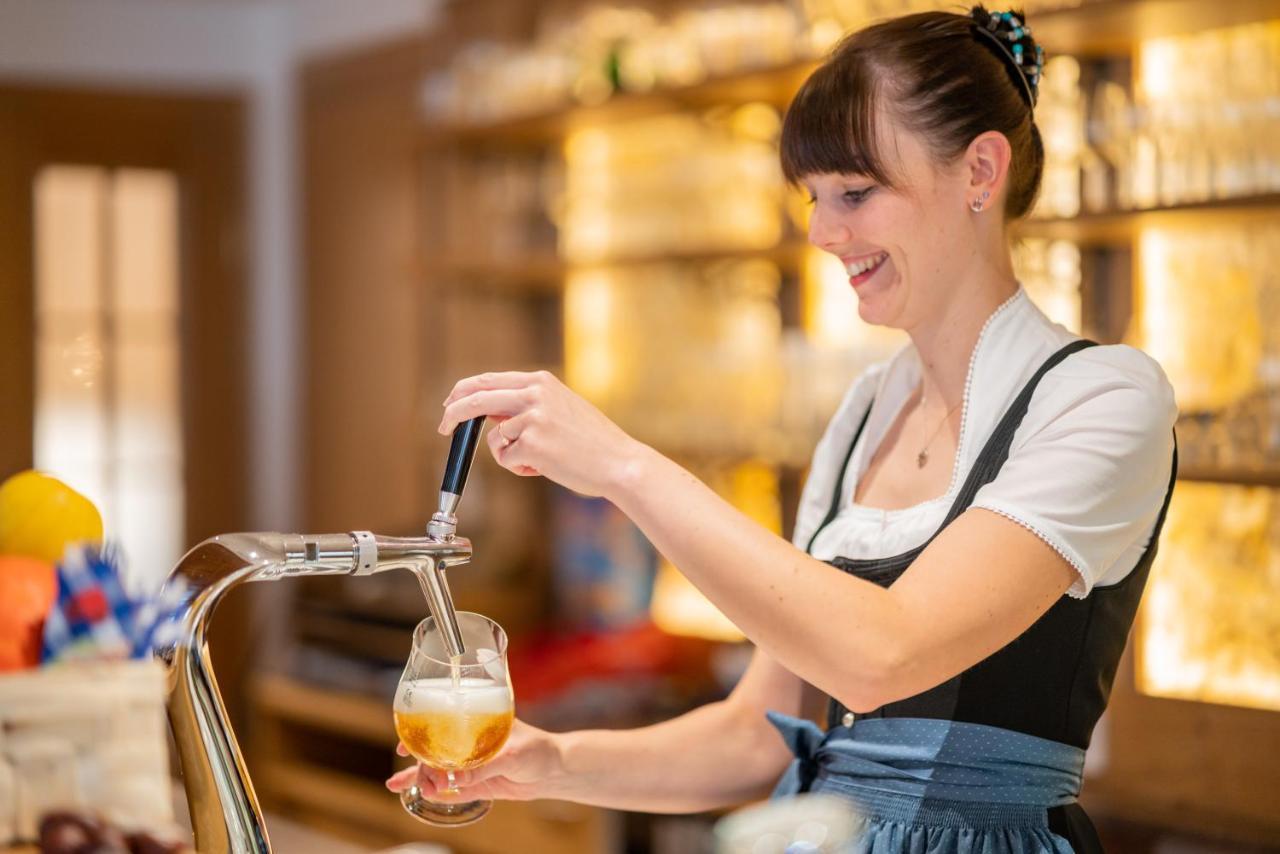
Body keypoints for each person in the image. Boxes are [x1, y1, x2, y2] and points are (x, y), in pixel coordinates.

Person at [387, 6, 1177, 851]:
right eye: (813, 198)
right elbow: (759, 733)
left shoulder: (1103, 397)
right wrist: (552, 762)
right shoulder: (869, 409)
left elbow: (884, 655)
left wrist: (623, 466)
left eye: (856, 193)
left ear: (981, 169)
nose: (822, 233)